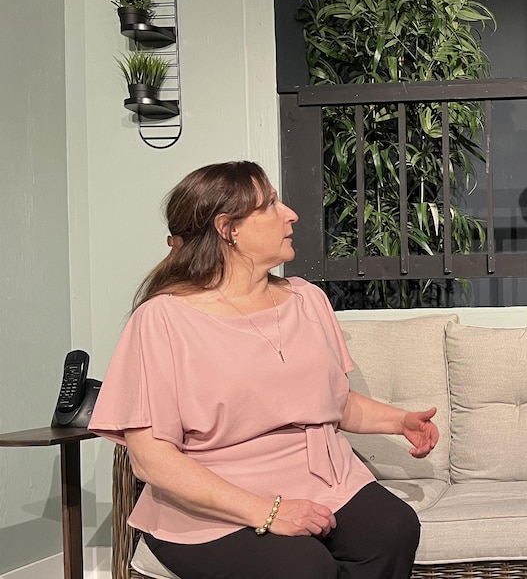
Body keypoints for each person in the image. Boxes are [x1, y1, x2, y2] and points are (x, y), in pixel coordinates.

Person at [89, 161, 436, 579]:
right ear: (228, 229)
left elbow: (333, 401)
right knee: (303, 569)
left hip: (321, 481)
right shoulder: (162, 320)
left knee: (394, 529)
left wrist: (399, 421)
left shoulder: (307, 300)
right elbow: (151, 460)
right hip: (213, 504)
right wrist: (268, 512)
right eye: (270, 204)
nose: (291, 214)